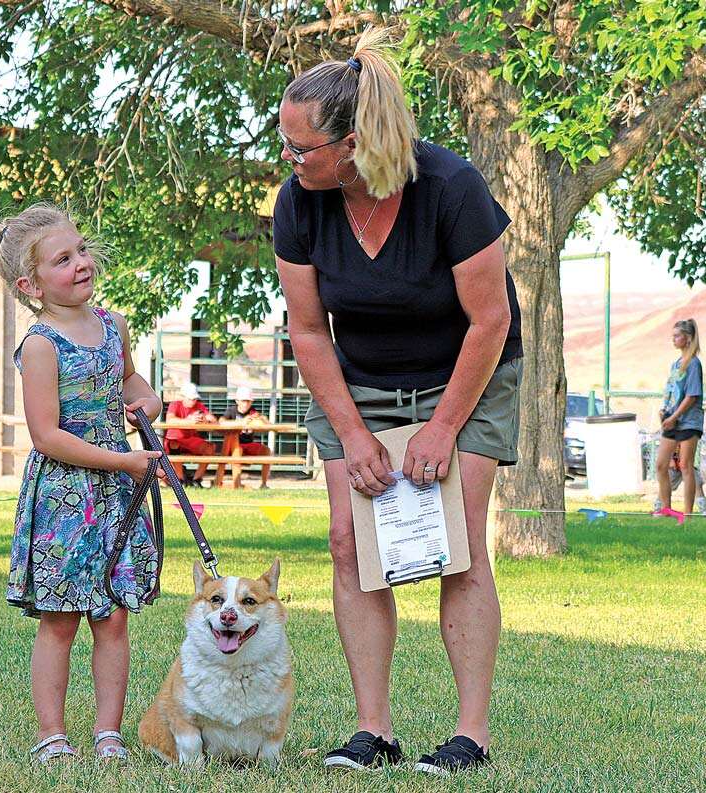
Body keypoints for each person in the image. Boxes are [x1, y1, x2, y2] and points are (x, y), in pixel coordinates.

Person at [273, 28, 523, 775]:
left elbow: (492, 319)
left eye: (300, 148)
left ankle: (470, 735)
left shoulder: (449, 188)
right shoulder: (301, 203)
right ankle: (373, 730)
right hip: (362, 383)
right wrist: (353, 435)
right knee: (351, 542)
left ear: (351, 144)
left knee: (456, 539)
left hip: (468, 376)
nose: (288, 160)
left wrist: (444, 426)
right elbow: (310, 333)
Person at [0, 203, 165, 764]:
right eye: (63, 260)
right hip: (68, 495)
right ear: (30, 283)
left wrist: (146, 400)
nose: (81, 263)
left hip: (116, 494)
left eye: (81, 250)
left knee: (112, 615)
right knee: (61, 619)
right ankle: (53, 736)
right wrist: (126, 463)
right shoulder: (40, 346)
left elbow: (130, 378)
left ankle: (109, 733)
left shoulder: (114, 325)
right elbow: (46, 436)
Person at [655, 319, 704, 515]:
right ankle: (667, 509)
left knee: (685, 465)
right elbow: (671, 390)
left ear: (688, 338)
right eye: (673, 336)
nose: (673, 340)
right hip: (671, 420)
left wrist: (675, 416)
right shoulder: (676, 364)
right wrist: (664, 410)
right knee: (661, 465)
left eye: (677, 336)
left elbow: (692, 395)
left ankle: (688, 513)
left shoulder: (693, 364)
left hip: (688, 421)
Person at [164, 382, 219, 487]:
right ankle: (179, 480)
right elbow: (169, 420)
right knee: (174, 443)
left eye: (194, 399)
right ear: (183, 397)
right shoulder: (175, 404)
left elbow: (214, 421)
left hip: (190, 440)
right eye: (190, 399)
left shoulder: (199, 406)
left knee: (210, 448)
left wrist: (206, 420)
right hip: (175, 440)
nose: (193, 401)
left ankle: (196, 480)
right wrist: (188, 420)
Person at [220, 386, 273, 488]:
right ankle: (237, 484)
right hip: (233, 445)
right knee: (237, 452)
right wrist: (241, 422)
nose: (246, 404)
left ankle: (264, 484)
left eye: (248, 401)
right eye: (244, 401)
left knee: (266, 451)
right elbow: (221, 421)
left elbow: (268, 424)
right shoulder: (231, 410)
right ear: (237, 401)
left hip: (249, 444)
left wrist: (261, 418)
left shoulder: (253, 411)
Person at [653, 446, 706, 515]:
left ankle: (705, 510)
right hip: (674, 466)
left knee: (697, 484)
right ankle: (658, 508)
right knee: (666, 487)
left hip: (687, 466)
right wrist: (671, 460)